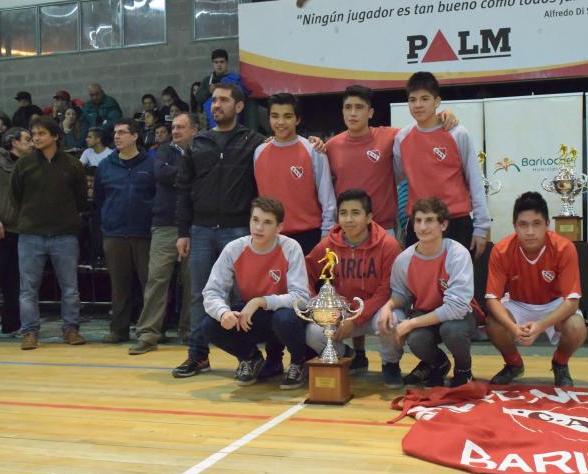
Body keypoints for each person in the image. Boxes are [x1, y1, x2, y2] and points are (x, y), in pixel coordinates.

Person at [173, 83, 265, 378]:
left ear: (239, 107)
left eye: (223, 100)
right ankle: (197, 356)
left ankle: (248, 356)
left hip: (238, 230)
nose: (216, 105)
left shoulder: (255, 142)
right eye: (213, 101)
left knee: (241, 296)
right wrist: (182, 231)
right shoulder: (197, 143)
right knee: (200, 296)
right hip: (200, 230)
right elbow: (183, 190)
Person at [202, 197, 311, 389]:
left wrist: (261, 301)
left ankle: (298, 362)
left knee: (284, 319)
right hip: (253, 317)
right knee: (210, 324)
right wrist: (223, 313)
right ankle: (250, 358)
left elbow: (301, 298)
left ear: (279, 227)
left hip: (286, 316)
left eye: (267, 222)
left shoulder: (290, 247)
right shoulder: (234, 249)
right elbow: (212, 292)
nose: (259, 227)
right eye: (255, 220)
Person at [484, 192, 586, 387]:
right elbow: (491, 298)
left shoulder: (564, 248)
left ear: (547, 224)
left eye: (536, 224)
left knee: (576, 327)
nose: (530, 231)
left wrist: (540, 326)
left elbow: (572, 301)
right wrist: (513, 328)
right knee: (494, 322)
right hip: (518, 303)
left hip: (553, 304)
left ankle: (560, 364)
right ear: (514, 226)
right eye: (523, 225)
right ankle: (514, 364)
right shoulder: (501, 250)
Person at [304, 189, 404, 387]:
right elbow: (305, 273)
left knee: (393, 322)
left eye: (355, 213)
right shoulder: (327, 246)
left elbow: (386, 290)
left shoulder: (389, 246)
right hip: (341, 314)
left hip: (376, 311)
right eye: (343, 213)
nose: (348, 219)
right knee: (312, 333)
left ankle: (390, 364)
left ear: (369, 217)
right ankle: (346, 356)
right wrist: (317, 303)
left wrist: (357, 318)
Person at [326, 85, 457, 233]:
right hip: (346, 229)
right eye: (348, 108)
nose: (353, 113)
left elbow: (422, 127)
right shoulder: (330, 147)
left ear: (370, 113)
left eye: (359, 107)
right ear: (342, 112)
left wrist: (443, 114)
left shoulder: (390, 137)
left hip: (384, 229)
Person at [378, 197, 477, 388]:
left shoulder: (457, 254)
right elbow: (401, 294)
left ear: (443, 224)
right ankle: (438, 364)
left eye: (430, 220)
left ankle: (464, 369)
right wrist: (388, 306)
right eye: (418, 220)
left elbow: (456, 308)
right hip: (426, 312)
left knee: (452, 331)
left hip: (460, 316)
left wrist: (411, 323)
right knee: (417, 339)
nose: (423, 227)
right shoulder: (403, 259)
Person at [393, 72, 490, 258]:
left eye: (424, 99)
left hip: (456, 223)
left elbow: (475, 180)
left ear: (437, 102)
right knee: (419, 285)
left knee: (458, 284)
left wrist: (481, 228)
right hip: (419, 226)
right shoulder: (401, 138)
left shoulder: (457, 133)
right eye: (412, 100)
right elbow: (396, 178)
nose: (418, 105)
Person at [10, 116, 87, 349]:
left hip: (64, 235)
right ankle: (29, 332)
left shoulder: (73, 165)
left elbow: (81, 200)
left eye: (41, 133)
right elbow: (16, 197)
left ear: (55, 136)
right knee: (27, 288)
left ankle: (71, 329)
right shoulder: (23, 164)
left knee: (70, 287)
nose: (36, 138)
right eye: (33, 134)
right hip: (31, 235)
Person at [129, 113, 199, 355]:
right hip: (164, 225)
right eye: (174, 127)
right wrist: (190, 176)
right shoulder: (162, 151)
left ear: (194, 129)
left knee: (193, 282)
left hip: (194, 225)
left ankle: (190, 331)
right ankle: (148, 334)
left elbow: (194, 177)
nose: (176, 131)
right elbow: (160, 173)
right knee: (157, 279)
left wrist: (178, 174)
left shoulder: (201, 150)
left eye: (181, 127)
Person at [94, 118, 155, 343]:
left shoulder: (151, 164)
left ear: (135, 136)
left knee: (150, 285)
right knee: (119, 286)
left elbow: (157, 197)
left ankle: (149, 330)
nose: (117, 136)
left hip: (145, 234)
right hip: (114, 233)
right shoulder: (105, 166)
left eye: (122, 132)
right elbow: (99, 200)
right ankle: (118, 330)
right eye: (115, 132)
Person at [253, 92, 335, 255]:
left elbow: (328, 200)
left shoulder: (314, 151)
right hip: (270, 237)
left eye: (287, 116)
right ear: (268, 118)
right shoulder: (259, 152)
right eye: (275, 116)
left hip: (308, 237)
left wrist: (326, 236)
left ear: (297, 119)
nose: (281, 122)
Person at [0, 127, 32, 334]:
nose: (32, 143)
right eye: (27, 139)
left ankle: (12, 325)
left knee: (15, 281)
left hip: (22, 230)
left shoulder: (31, 163)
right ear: (14, 141)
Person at [196, 49, 249, 129]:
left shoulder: (234, 79)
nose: (219, 65)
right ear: (212, 64)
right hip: (211, 123)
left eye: (222, 62)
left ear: (226, 63)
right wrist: (209, 91)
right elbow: (198, 98)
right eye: (216, 62)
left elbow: (241, 97)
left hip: (231, 122)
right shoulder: (207, 81)